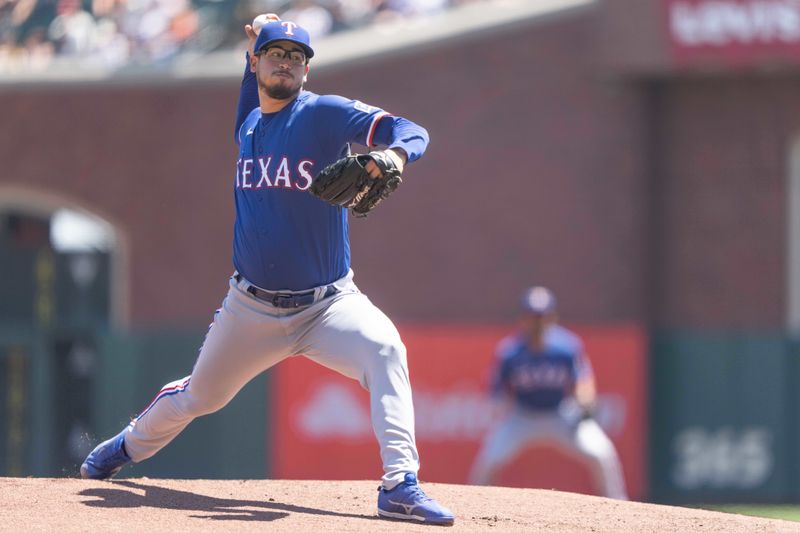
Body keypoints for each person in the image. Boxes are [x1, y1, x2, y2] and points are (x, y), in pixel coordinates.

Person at [80, 16, 454, 526]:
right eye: (276, 53)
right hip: (250, 307)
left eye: (297, 56)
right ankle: (126, 446)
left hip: (329, 304)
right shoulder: (250, 121)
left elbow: (412, 131)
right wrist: (252, 42)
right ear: (255, 61)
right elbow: (248, 88)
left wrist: (391, 155)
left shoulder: (323, 113)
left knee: (387, 350)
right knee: (199, 397)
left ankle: (400, 486)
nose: (287, 61)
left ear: (306, 68)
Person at [468, 286, 628, 500]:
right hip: (522, 415)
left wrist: (585, 400)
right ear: (523, 318)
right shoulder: (509, 352)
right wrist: (503, 414)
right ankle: (476, 506)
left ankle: (620, 506)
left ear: (552, 317)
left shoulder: (566, 347)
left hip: (560, 413)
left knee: (602, 453)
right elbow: (497, 391)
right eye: (533, 316)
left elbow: (583, 380)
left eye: (542, 316)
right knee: (489, 460)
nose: (537, 322)